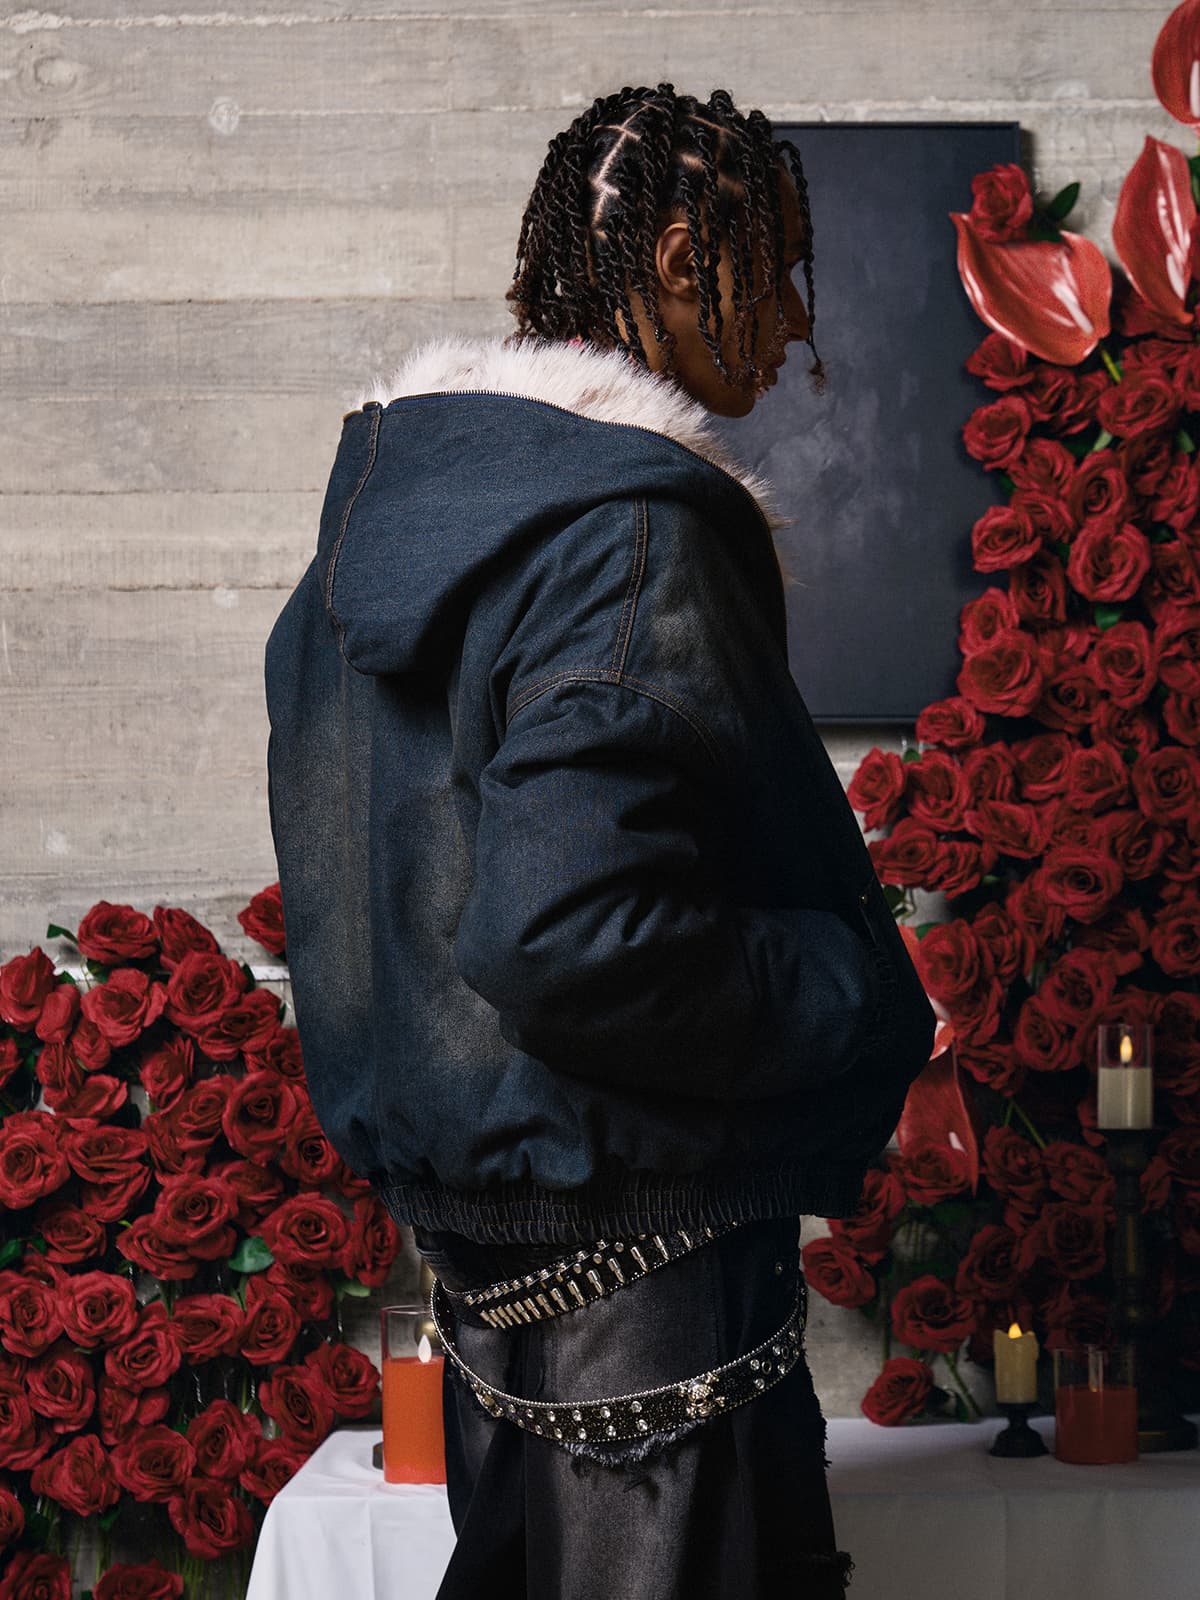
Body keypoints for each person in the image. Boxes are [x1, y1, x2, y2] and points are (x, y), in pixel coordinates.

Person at [264, 81, 936, 1599]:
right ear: (686, 254)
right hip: (654, 1286)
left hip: (502, 1273)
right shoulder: (634, 528)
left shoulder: (377, 537)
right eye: (776, 275)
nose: (789, 338)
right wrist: (853, 990)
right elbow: (566, 934)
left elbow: (380, 922)